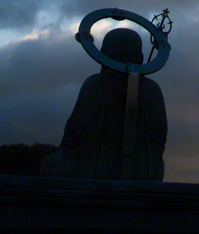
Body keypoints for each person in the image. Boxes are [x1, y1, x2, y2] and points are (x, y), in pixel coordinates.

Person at [40, 28, 167, 180]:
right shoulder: (152, 89)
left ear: (103, 54)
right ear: (140, 58)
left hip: (94, 168)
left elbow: (74, 133)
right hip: (143, 172)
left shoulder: (95, 84)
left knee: (49, 164)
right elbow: (160, 139)